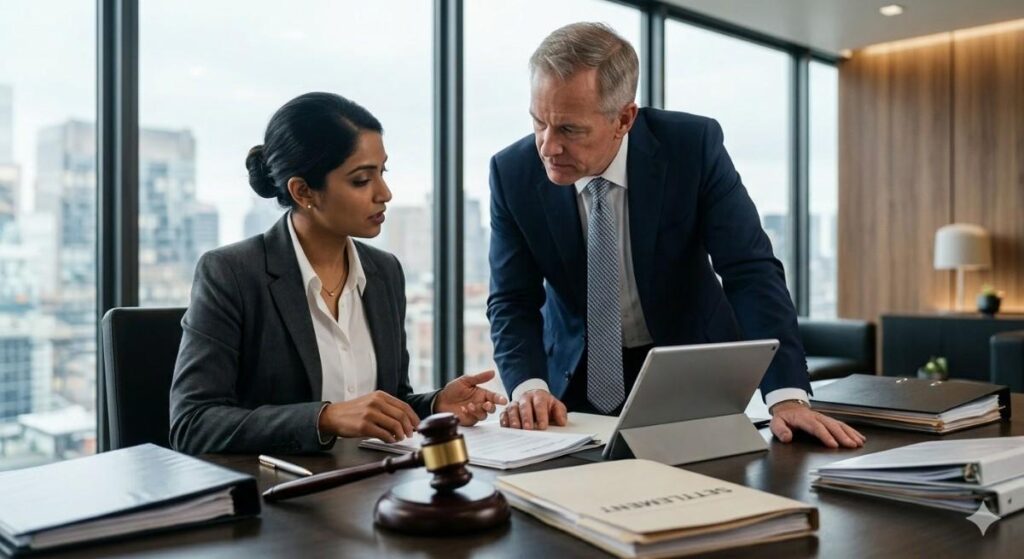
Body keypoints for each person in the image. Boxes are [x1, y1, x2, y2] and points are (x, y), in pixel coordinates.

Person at [487, 23, 863, 449]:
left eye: (570, 130)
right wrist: (529, 387)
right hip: (572, 383)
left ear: (624, 119)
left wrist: (786, 396)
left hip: (689, 371)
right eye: (539, 122)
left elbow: (750, 271)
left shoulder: (691, 148)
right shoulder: (512, 173)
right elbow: (512, 300)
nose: (547, 147)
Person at [170, 92, 506, 455]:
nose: (385, 193)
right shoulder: (232, 274)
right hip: (283, 486)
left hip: (373, 479)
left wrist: (436, 404)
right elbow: (193, 423)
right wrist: (324, 419)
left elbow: (387, 401)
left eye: (382, 173)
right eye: (361, 180)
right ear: (303, 191)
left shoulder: (385, 272)